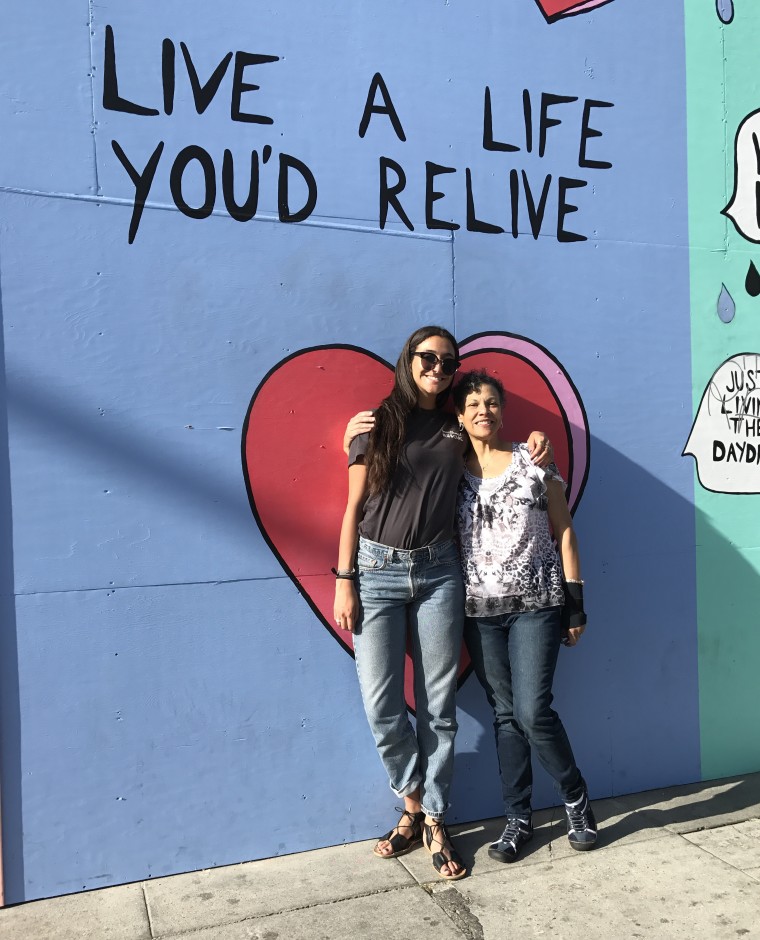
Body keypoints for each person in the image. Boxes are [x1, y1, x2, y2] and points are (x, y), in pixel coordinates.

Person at [333, 327, 551, 881]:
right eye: (427, 357)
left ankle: (432, 817)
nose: (437, 367)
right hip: (377, 572)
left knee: (438, 706)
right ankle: (410, 798)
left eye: (448, 362)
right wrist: (343, 580)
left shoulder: (456, 427)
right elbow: (353, 505)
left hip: (438, 573)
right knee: (381, 702)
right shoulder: (377, 425)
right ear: (408, 360)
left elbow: (496, 441)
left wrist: (537, 441)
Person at [451, 369, 596, 863]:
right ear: (459, 415)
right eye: (472, 405)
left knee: (533, 711)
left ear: (502, 409)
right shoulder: (450, 472)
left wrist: (575, 605)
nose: (482, 411)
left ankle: (575, 796)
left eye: (490, 402)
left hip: (536, 605)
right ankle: (518, 818)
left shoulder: (533, 461)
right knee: (506, 716)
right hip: (479, 611)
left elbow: (566, 532)